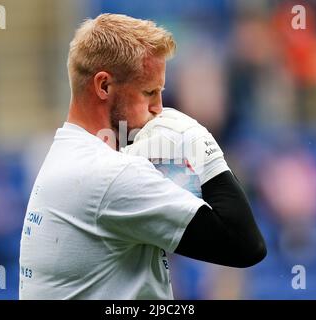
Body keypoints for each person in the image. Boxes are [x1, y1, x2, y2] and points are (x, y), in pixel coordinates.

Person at [19, 13, 266, 300]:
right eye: (149, 93)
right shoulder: (111, 174)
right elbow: (245, 245)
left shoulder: (68, 152)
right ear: (104, 86)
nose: (159, 109)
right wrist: (203, 145)